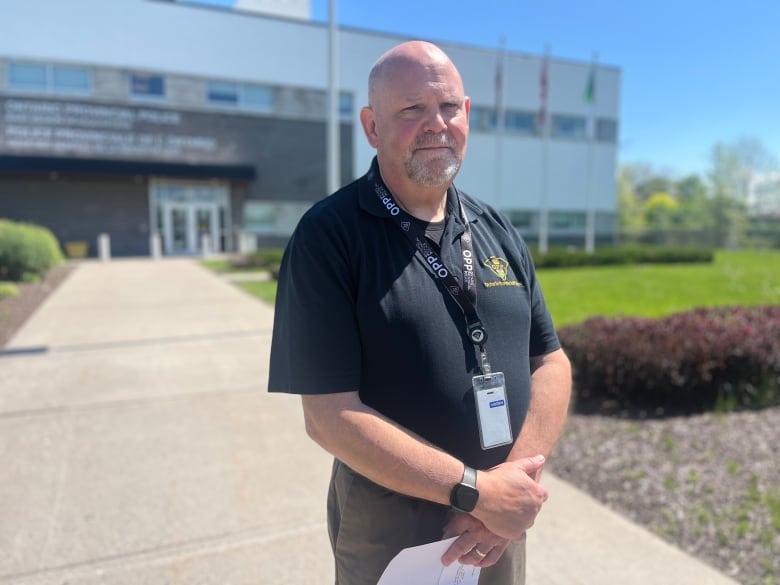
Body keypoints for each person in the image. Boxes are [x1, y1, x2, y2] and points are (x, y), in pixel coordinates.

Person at [268, 40, 572, 585]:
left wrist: (510, 488)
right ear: (372, 126)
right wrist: (474, 491)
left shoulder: (496, 228)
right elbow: (328, 416)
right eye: (411, 109)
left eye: (449, 107)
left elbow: (551, 362)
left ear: (467, 115)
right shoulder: (330, 236)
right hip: (391, 523)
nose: (435, 123)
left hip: (500, 524)